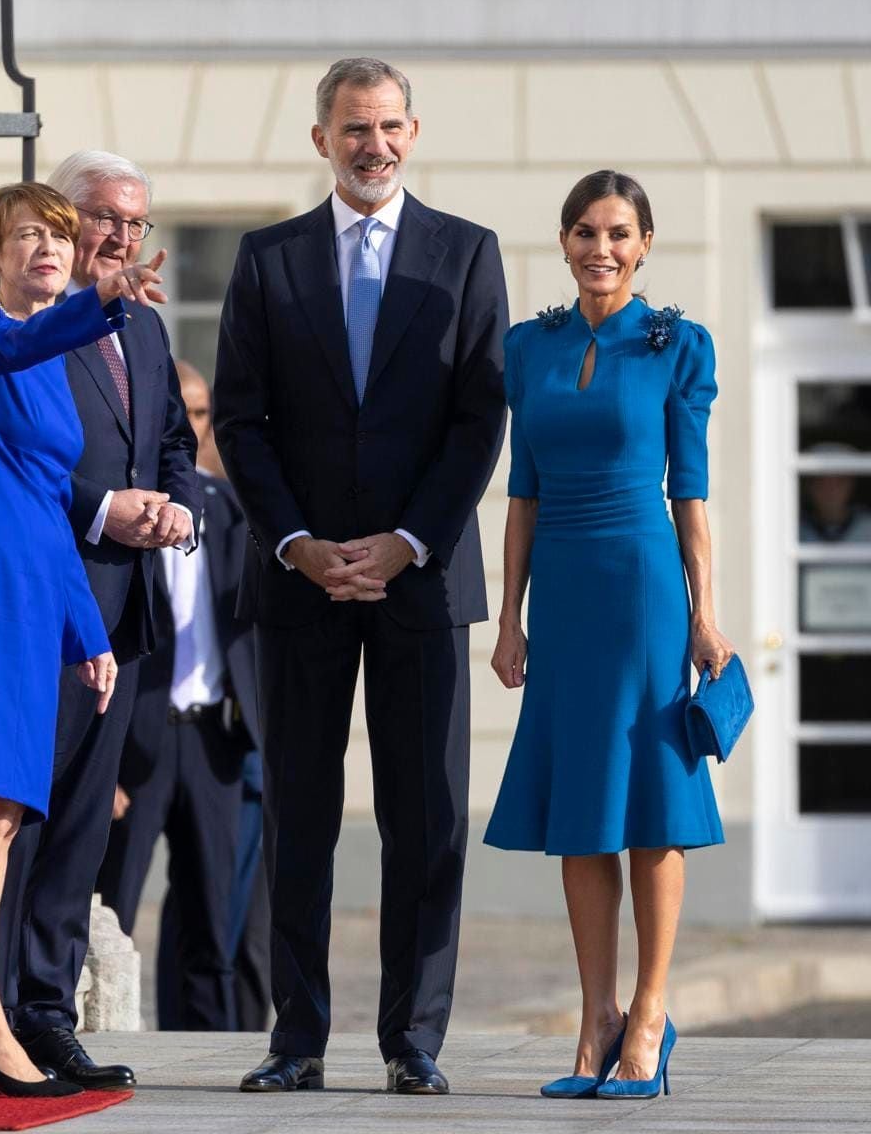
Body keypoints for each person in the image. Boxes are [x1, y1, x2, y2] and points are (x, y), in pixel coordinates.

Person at [213, 57, 509, 1095]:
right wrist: (295, 542)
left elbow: (481, 415)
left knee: (426, 816)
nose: (372, 145)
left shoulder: (468, 255)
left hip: (422, 583)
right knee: (298, 812)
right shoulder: (267, 258)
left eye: (388, 127)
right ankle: (296, 1038)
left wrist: (407, 542)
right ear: (321, 140)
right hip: (297, 582)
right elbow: (239, 420)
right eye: (353, 129)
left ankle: (413, 1039)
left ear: (414, 133)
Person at [483, 170, 735, 1101]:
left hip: (644, 588)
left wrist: (705, 613)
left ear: (645, 243)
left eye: (619, 233)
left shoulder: (678, 346)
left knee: (650, 809)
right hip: (566, 596)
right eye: (586, 231)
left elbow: (691, 496)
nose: (602, 248)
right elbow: (522, 496)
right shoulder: (530, 348)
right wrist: (509, 618)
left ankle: (652, 1011)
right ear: (563, 241)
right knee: (581, 813)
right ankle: (594, 1020)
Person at [0, 181, 167, 1097]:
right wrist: (102, 304)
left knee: (12, 802)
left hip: (38, 573)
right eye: (28, 236)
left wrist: (88, 630)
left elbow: (50, 496)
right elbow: (28, 340)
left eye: (60, 237)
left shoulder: (46, 351)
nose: (49, 250)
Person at [0, 152, 202, 1090]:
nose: (119, 237)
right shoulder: (21, 316)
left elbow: (175, 437)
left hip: (121, 605)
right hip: (38, 600)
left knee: (80, 834)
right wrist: (106, 508)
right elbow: (14, 459)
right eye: (102, 216)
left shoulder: (137, 324)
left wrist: (174, 505)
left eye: (135, 223)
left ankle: (47, 1012)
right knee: (18, 809)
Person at [96, 360, 268, 1032]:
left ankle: (204, 1057)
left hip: (214, 742)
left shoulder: (232, 510)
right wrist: (99, 759)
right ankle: (90, 1034)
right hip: (134, 744)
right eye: (179, 415)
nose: (191, 431)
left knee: (211, 917)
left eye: (200, 416)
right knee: (111, 908)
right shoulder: (112, 512)